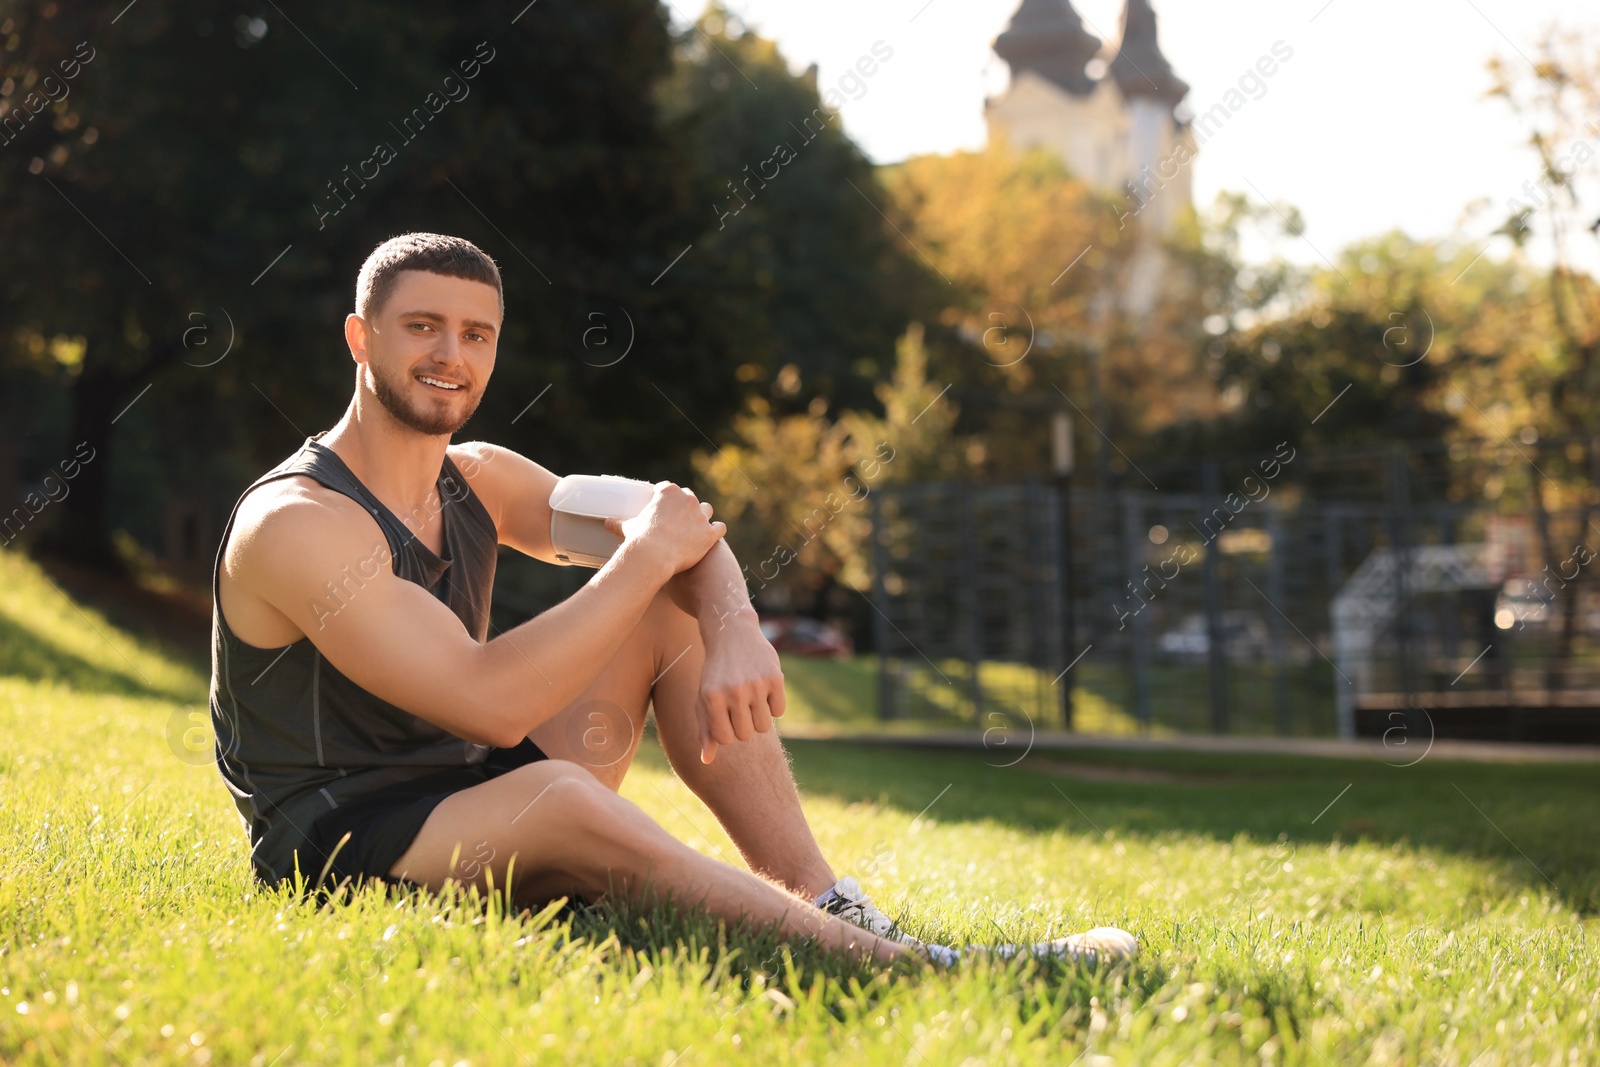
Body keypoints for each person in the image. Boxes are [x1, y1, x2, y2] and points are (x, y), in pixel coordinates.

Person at [208, 231, 1137, 969]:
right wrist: (647, 557)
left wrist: (733, 628)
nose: (452, 354)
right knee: (560, 793)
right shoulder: (298, 522)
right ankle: (917, 967)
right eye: (422, 327)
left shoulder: (480, 477)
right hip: (343, 852)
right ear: (361, 337)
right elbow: (485, 700)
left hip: (471, 793)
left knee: (668, 610)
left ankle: (821, 895)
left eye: (477, 333)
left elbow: (668, 517)